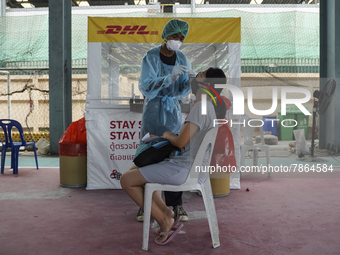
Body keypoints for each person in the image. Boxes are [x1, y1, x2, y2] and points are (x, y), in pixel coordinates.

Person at [120, 67, 227, 245]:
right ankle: (167, 213)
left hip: (184, 169)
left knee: (126, 180)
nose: (194, 77)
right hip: (190, 166)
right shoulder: (207, 107)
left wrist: (167, 135)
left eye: (200, 75)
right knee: (136, 168)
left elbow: (180, 142)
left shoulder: (201, 107)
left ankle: (164, 221)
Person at [136, 19, 193, 223]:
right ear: (166, 35)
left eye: (181, 38)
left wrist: (189, 82)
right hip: (153, 111)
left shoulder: (183, 58)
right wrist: (168, 78)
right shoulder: (150, 57)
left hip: (172, 112)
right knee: (148, 154)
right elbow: (145, 87)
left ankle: (176, 205)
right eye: (175, 36)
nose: (178, 41)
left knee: (172, 155)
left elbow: (182, 90)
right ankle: (145, 205)